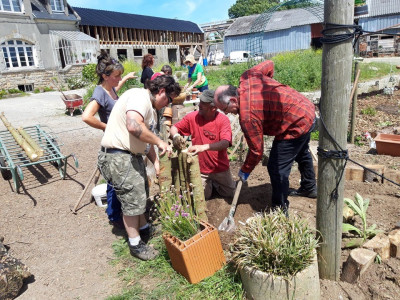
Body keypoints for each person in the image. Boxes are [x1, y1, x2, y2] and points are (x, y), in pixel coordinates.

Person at [213, 60, 317, 213]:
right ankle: (309, 187)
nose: (227, 113)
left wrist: (245, 169)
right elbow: (269, 63)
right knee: (301, 152)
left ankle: (279, 210)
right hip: (305, 108)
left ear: (233, 100)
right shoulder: (248, 77)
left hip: (295, 123)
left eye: (225, 109)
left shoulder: (247, 117)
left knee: (276, 168)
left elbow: (256, 151)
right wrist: (269, 87)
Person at [98, 75, 181, 260]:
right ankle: (136, 245)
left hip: (131, 156)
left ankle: (144, 229)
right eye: (169, 99)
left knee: (140, 195)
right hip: (119, 157)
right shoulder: (139, 96)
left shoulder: (149, 108)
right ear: (161, 91)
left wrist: (156, 161)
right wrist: (160, 141)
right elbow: (134, 126)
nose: (168, 104)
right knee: (131, 201)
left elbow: (145, 140)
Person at [82, 50, 136, 228]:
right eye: (116, 76)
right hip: (112, 143)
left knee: (118, 178)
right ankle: (114, 217)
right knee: (114, 181)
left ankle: (117, 212)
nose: (118, 79)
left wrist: (126, 78)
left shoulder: (110, 88)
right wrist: (107, 127)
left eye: (120, 75)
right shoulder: (99, 93)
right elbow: (86, 117)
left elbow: (114, 94)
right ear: (105, 76)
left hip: (119, 140)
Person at [170, 89, 235, 200]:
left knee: (229, 193)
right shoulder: (193, 117)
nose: (199, 105)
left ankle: (214, 183)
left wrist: (203, 147)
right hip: (200, 169)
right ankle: (209, 184)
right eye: (201, 102)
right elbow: (174, 127)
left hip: (220, 168)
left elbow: (225, 142)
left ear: (213, 108)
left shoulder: (222, 120)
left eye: (203, 104)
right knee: (203, 197)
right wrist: (175, 136)